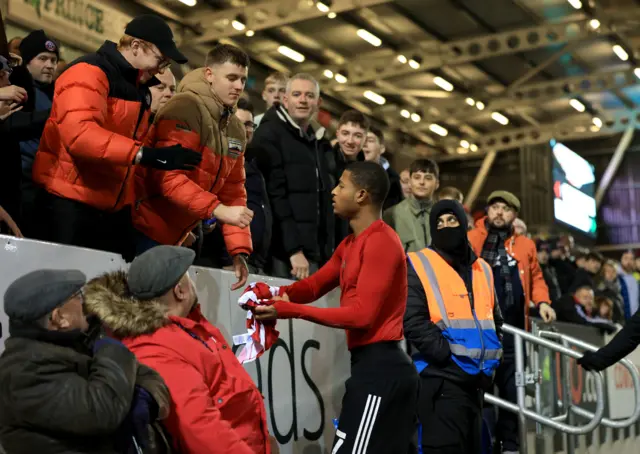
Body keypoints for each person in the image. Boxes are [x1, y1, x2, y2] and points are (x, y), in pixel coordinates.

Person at [254, 161, 419, 453]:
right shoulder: (350, 244)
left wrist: (290, 311)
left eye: (341, 185)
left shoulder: (382, 241)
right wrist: (275, 293)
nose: (333, 192)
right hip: (374, 369)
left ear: (361, 196)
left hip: (381, 372)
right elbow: (313, 286)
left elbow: (361, 315)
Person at [33, 14, 201, 260]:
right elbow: (80, 136)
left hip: (110, 209)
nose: (161, 69)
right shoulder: (88, 71)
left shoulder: (139, 88)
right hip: (69, 204)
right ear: (134, 46)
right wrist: (146, 155)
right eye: (160, 60)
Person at [82, 246, 271, 454]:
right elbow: (199, 428)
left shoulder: (188, 324)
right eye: (189, 277)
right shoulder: (154, 348)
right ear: (180, 291)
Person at [0, 269, 170, 453]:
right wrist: (111, 346)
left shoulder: (73, 341)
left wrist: (145, 396)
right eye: (77, 296)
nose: (84, 303)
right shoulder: (23, 374)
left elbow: (147, 375)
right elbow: (103, 411)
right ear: (59, 318)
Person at [132, 43, 253, 290]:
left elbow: (234, 192)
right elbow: (168, 179)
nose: (239, 86)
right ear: (209, 74)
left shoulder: (235, 128)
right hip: (144, 229)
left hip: (179, 235)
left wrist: (238, 250)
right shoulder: (185, 107)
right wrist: (217, 209)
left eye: (243, 79)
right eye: (231, 78)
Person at [405, 199, 503, 453]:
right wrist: (446, 357)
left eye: (451, 220)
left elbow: (495, 320)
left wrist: (490, 362)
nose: (445, 226)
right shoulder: (418, 263)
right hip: (441, 381)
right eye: (439, 222)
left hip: (476, 384)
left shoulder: (483, 268)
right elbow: (413, 319)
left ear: (463, 224)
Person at [468, 190, 554, 454]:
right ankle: (483, 443)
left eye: (505, 209)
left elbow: (536, 277)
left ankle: (510, 445)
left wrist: (543, 302)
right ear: (487, 211)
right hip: (480, 330)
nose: (499, 213)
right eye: (494, 207)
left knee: (511, 389)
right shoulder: (471, 238)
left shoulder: (526, 245)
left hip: (515, 331)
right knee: (480, 388)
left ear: (514, 215)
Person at [250, 73, 334, 280]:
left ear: (318, 102)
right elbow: (275, 197)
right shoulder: (269, 134)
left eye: (309, 95)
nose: (303, 100)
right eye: (297, 94)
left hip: (313, 254)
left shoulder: (315, 141)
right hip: (285, 257)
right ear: (285, 100)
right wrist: (293, 251)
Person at [16, 30, 58, 239]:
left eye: (53, 60)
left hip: (44, 188)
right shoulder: (16, 90)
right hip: (21, 184)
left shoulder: (57, 94)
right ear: (26, 62)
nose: (49, 65)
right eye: (42, 58)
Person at [326, 110, 368, 246]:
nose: (350, 141)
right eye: (345, 133)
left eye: (357, 136)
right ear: (337, 133)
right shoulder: (323, 162)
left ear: (365, 138)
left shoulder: (368, 173)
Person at [384, 158, 439, 253]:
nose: (422, 182)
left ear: (437, 184)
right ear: (409, 182)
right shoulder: (392, 214)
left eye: (428, 178)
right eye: (417, 177)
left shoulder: (444, 214)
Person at [362, 125, 403, 210]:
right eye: (362, 140)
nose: (365, 144)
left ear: (382, 148)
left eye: (370, 140)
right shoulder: (349, 170)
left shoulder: (392, 179)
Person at [619, 250, 639, 320]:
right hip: (622, 320)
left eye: (631, 259)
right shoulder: (616, 277)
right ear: (621, 260)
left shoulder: (636, 278)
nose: (629, 262)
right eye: (626, 258)